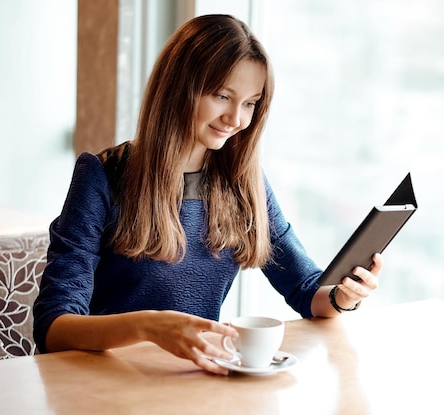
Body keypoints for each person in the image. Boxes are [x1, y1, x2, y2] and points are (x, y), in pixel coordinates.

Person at [33, 14, 383, 375]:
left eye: (250, 103)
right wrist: (147, 327)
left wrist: (343, 297)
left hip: (197, 383)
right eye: (222, 96)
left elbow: (308, 292)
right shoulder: (103, 175)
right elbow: (53, 327)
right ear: (180, 87)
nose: (236, 118)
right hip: (107, 384)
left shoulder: (244, 184)